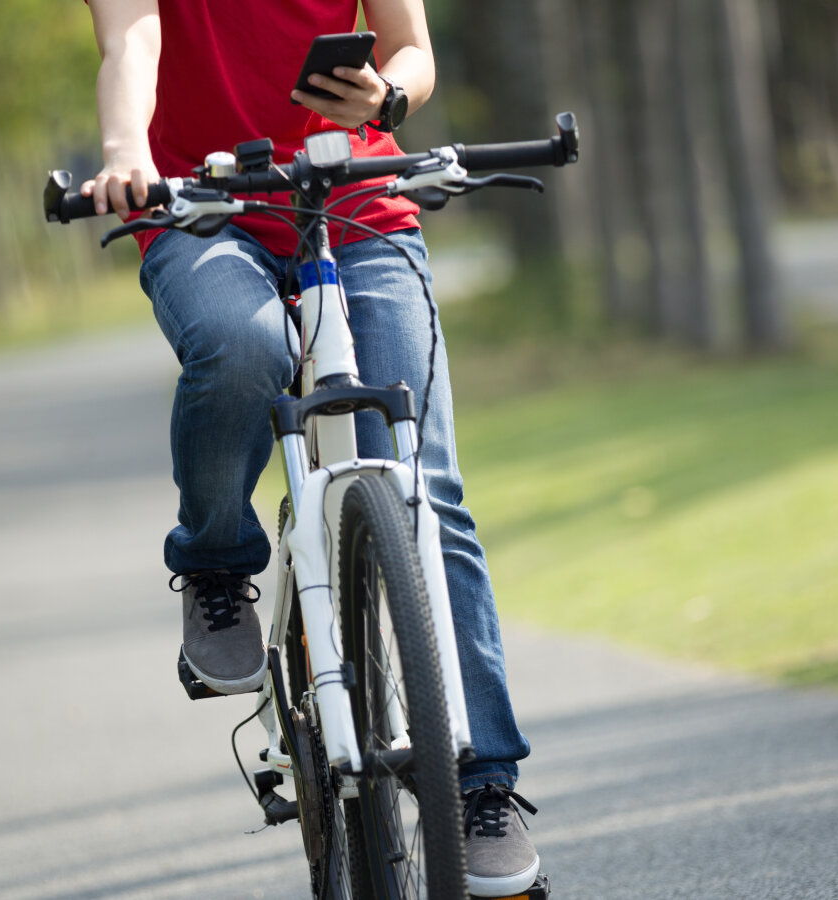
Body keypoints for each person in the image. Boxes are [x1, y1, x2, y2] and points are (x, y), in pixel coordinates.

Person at [80, 1, 539, 894]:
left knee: (424, 491)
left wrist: (387, 102)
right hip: (204, 203)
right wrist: (122, 150)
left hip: (356, 193)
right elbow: (130, 38)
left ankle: (484, 785)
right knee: (244, 346)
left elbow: (411, 51)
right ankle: (215, 563)